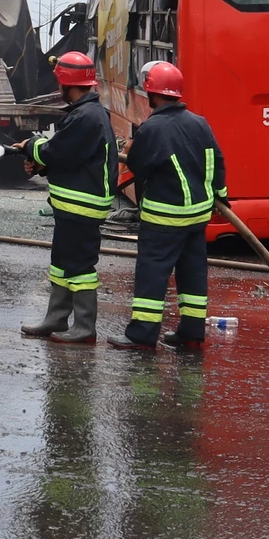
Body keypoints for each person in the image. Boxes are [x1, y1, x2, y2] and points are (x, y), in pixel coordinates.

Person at [111, 60, 221, 351]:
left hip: (164, 218)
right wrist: (218, 196)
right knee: (192, 272)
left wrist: (129, 151)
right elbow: (215, 161)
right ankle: (192, 332)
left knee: (152, 274)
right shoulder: (200, 123)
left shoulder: (151, 129)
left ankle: (142, 336)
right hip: (197, 216)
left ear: (152, 93)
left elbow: (139, 167)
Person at [19, 52, 117, 345]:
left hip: (82, 207)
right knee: (61, 263)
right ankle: (56, 318)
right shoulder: (85, 114)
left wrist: (31, 147)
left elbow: (55, 151)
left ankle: (84, 326)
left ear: (65, 83)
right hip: (71, 207)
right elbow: (71, 159)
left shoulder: (86, 117)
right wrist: (42, 165)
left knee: (79, 266)